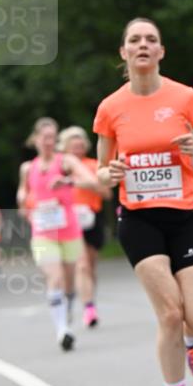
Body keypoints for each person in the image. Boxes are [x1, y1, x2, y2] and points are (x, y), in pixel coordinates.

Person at [93, 17, 193, 386]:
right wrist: (107, 175)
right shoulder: (111, 108)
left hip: (184, 216)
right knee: (169, 313)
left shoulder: (184, 97)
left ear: (161, 52)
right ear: (124, 52)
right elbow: (99, 173)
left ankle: (192, 342)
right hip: (139, 219)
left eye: (151, 39)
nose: (143, 45)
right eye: (135, 40)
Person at [17, 117, 103, 351]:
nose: (48, 142)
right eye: (44, 137)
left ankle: (66, 311)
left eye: (53, 137)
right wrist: (25, 203)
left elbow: (91, 181)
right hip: (43, 232)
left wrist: (66, 181)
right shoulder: (28, 168)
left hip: (69, 231)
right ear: (35, 139)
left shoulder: (66, 161)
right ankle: (62, 330)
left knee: (67, 283)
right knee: (54, 277)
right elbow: (22, 195)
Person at [57, 126, 111, 328]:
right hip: (66, 220)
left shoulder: (94, 165)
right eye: (73, 145)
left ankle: (88, 301)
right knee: (80, 265)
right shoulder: (59, 168)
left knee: (90, 264)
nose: (78, 149)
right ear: (65, 147)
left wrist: (85, 184)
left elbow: (107, 194)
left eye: (81, 145)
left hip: (91, 218)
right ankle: (84, 306)